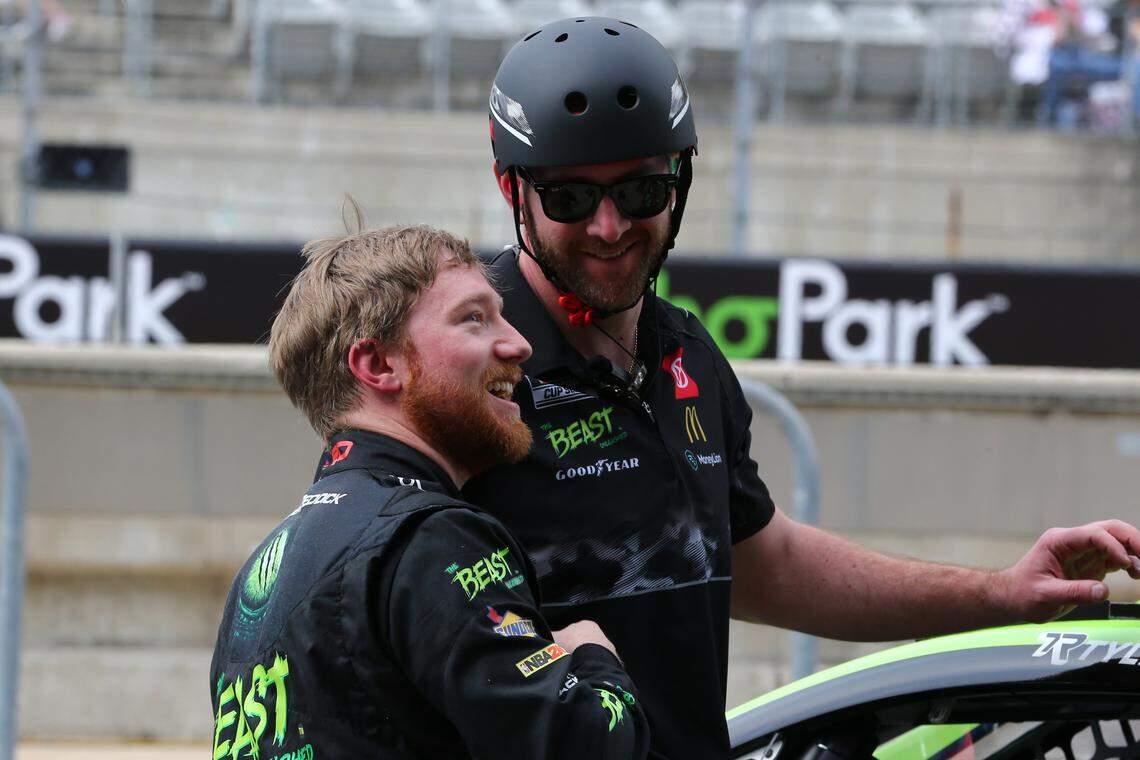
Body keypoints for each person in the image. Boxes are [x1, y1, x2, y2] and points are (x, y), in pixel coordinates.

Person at [456, 17, 1140, 758]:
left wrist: (999, 595)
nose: (611, 225)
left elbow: (761, 562)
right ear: (510, 189)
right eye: (570, 201)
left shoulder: (685, 352)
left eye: (643, 189)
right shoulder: (463, 366)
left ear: (680, 180)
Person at [212, 224, 651, 759]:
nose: (518, 343)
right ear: (378, 365)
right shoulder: (430, 539)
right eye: (474, 319)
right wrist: (590, 658)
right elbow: (585, 749)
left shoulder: (261, 575)